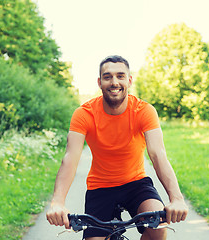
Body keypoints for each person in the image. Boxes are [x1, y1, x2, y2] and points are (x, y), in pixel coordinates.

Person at [46, 55, 188, 240]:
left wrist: (177, 199)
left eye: (120, 76)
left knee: (159, 226)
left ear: (129, 80)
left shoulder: (144, 111)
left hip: (136, 184)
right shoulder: (84, 114)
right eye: (108, 77)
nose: (114, 82)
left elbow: (158, 154)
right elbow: (70, 158)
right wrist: (57, 202)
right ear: (99, 82)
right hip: (100, 187)